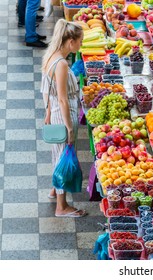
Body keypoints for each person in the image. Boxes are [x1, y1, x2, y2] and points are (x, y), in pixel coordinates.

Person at [41, 19, 86, 218]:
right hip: (64, 116)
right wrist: (68, 126)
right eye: (80, 42)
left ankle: (54, 189)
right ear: (70, 42)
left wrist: (48, 111)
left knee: (57, 153)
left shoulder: (51, 56)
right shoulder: (60, 64)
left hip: (56, 114)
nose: (80, 45)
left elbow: (45, 90)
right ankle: (62, 206)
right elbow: (62, 98)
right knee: (63, 157)